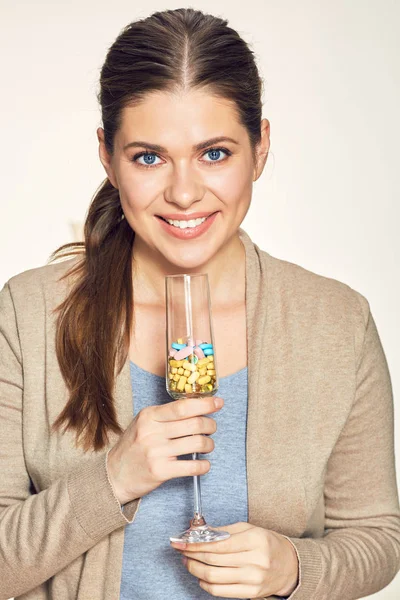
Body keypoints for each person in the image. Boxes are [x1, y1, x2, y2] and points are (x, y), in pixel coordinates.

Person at [0, 7, 399, 600]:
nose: (184, 193)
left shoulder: (335, 322)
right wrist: (113, 478)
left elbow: (376, 539)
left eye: (214, 153)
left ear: (260, 148)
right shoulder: (29, 314)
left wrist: (292, 567)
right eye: (149, 157)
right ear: (108, 157)